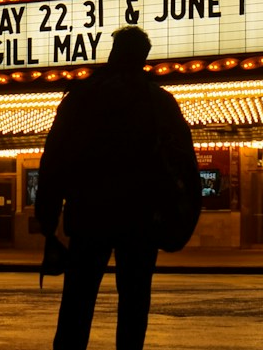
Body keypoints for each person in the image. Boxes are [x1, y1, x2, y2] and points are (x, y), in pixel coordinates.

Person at [36, 24, 199, 350]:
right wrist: (183, 215)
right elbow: (183, 162)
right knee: (134, 304)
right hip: (140, 217)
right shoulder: (159, 101)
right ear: (143, 57)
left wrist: (48, 219)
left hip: (89, 214)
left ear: (113, 53)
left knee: (77, 302)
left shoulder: (80, 97)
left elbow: (54, 159)